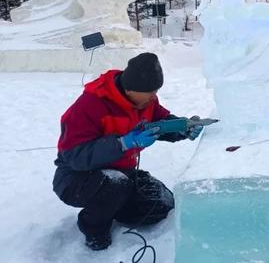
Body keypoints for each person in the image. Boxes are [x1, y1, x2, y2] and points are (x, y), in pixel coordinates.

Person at [53, 52, 203, 251]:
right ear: (130, 89)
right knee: (115, 186)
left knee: (161, 204)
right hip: (76, 179)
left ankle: (113, 206)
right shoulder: (90, 105)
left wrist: (182, 128)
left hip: (122, 173)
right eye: (150, 92)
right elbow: (74, 157)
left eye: (155, 91)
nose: (153, 97)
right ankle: (94, 229)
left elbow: (160, 124)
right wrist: (122, 143)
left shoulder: (146, 101)